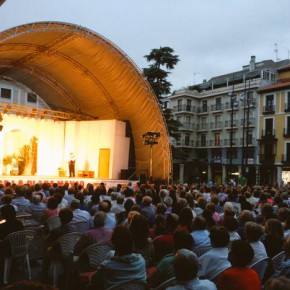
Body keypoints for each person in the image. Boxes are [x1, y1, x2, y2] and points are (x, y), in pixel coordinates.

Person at [92, 225, 146, 289]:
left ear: (114, 244)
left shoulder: (107, 266)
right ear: (131, 242)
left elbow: (94, 281)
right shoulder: (141, 261)